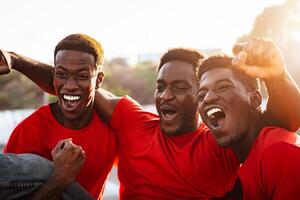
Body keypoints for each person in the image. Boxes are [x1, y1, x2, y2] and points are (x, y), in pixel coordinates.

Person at [0, 38, 299, 199]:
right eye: (160, 86)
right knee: (42, 168)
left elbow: (286, 117)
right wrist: (15, 60)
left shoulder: (221, 141)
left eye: (181, 88)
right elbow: (75, 84)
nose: (166, 96)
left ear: (199, 96)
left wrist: (277, 74)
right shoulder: (134, 120)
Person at [2, 34, 117, 199]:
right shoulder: (30, 129)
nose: (69, 86)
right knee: (43, 168)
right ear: (54, 75)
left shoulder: (113, 127)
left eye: (82, 76)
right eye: (61, 75)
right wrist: (60, 178)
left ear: (99, 79)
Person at [197, 39, 300, 199]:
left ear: (256, 99)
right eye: (201, 95)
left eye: (223, 87)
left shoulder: (279, 153)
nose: (208, 98)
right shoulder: (252, 161)